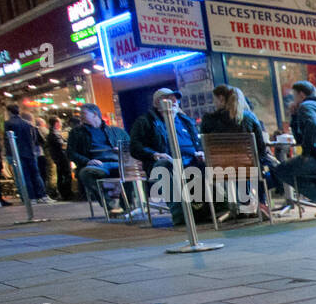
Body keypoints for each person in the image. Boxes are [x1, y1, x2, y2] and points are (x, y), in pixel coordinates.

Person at [130, 88, 210, 221]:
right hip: (164, 162)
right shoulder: (145, 122)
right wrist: (155, 154)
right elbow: (135, 147)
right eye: (168, 98)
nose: (173, 101)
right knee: (165, 165)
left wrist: (201, 151)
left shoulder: (186, 121)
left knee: (209, 162)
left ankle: (216, 208)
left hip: (190, 160)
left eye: (175, 98)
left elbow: (197, 142)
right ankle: (180, 215)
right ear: (157, 103)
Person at [269, 80, 316, 215]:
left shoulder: (307, 106)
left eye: (294, 96)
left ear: (301, 95)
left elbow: (313, 126)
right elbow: (300, 138)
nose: (292, 99)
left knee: (281, 170)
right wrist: (295, 116)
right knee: (301, 169)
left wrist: (306, 153)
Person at [66, 104, 130, 213]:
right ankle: (111, 206)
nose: (80, 116)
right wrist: (87, 161)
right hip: (97, 165)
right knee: (86, 173)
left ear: (95, 114)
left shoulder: (116, 131)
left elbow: (130, 147)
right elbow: (71, 153)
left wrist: (120, 151)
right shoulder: (76, 133)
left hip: (117, 162)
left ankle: (128, 205)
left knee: (131, 171)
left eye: (83, 113)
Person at [4, 106, 50, 203]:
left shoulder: (9, 123)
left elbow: (8, 140)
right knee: (35, 174)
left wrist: (10, 154)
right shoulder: (28, 124)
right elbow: (36, 140)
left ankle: (30, 197)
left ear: (9, 112)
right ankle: (41, 195)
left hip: (18, 153)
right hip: (31, 153)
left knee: (24, 176)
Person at [47, 117, 73, 200]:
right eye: (60, 122)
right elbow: (61, 145)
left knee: (62, 175)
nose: (61, 124)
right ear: (56, 123)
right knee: (65, 175)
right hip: (61, 157)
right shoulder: (54, 134)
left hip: (59, 157)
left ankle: (65, 193)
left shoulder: (54, 133)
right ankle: (66, 194)